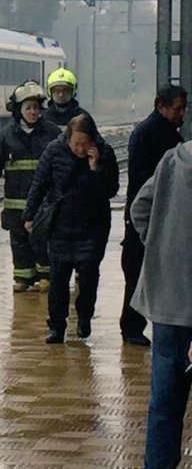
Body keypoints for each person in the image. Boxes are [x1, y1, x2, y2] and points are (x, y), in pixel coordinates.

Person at [23, 114, 119, 344]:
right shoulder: (53, 151)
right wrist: (29, 215)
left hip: (92, 225)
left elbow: (110, 190)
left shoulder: (104, 154)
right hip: (61, 224)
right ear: (68, 138)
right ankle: (56, 326)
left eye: (84, 144)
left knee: (88, 276)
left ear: (92, 141)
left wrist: (95, 168)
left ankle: (84, 317)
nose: (79, 149)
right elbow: (39, 184)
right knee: (58, 278)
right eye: (76, 144)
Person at [129, 141, 192, 469]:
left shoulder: (173, 160)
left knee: (165, 406)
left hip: (170, 304)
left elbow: (139, 208)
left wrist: (156, 247)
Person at [119, 84, 187, 348]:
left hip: (152, 213)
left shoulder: (166, 133)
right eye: (176, 109)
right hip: (147, 213)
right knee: (136, 272)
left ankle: (135, 325)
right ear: (162, 106)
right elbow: (141, 180)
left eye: (183, 109)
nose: (181, 114)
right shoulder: (151, 134)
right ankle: (131, 326)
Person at [0, 81, 60, 293]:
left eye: (35, 107)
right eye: (28, 108)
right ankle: (23, 276)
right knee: (19, 241)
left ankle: (46, 276)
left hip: (44, 202)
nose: (32, 112)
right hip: (15, 202)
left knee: (43, 239)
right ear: (19, 110)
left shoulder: (52, 133)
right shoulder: (6, 136)